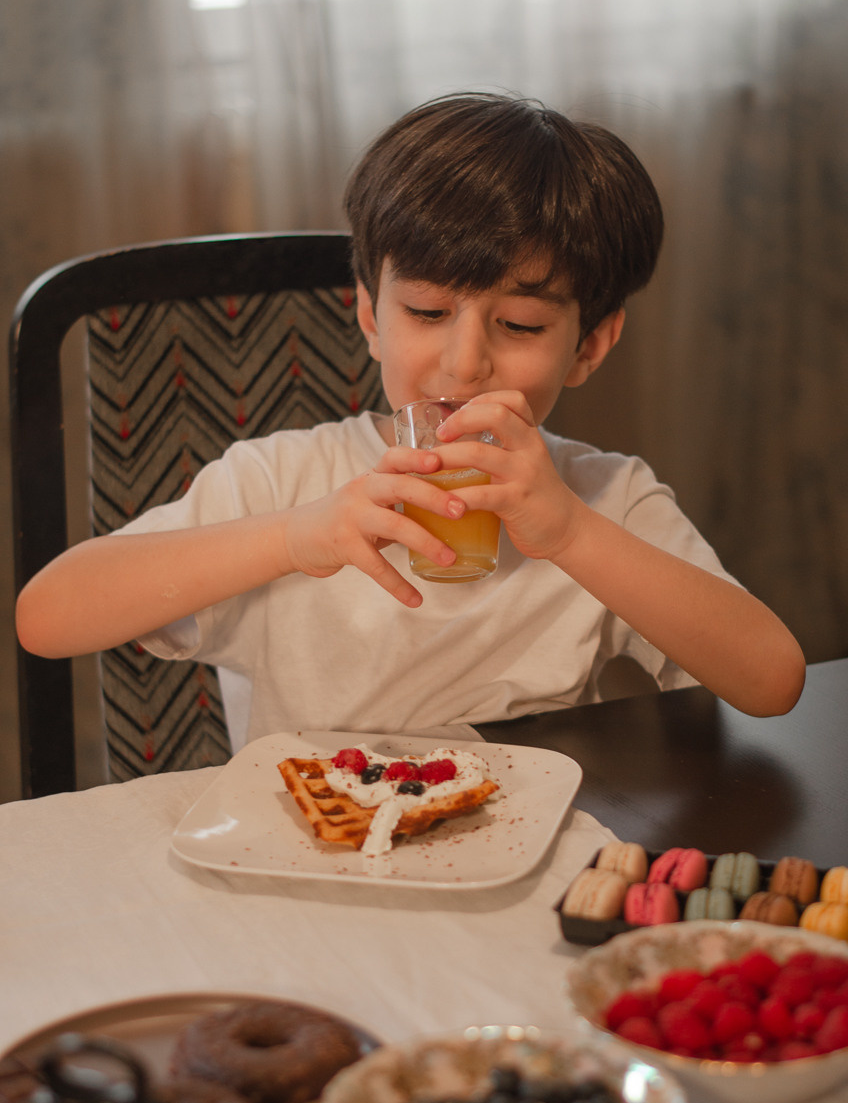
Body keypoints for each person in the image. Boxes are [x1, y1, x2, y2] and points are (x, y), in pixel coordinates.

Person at [16, 92, 805, 753]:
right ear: (369, 314)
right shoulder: (281, 480)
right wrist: (296, 537)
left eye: (521, 326)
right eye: (427, 310)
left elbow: (771, 681)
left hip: (519, 872)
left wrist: (569, 532)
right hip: (316, 873)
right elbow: (47, 616)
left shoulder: (604, 500)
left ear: (589, 344)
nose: (464, 365)